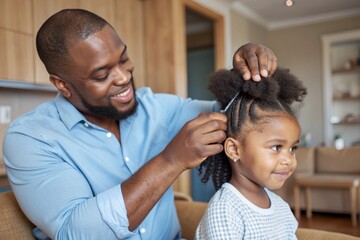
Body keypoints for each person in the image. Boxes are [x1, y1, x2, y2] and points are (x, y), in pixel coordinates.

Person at [3, 8, 277, 240]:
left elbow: (240, 118)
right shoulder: (32, 138)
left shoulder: (155, 107)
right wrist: (171, 160)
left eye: (123, 58)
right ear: (63, 85)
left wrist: (246, 76)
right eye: (102, 74)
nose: (123, 77)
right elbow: (72, 232)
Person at [195, 67, 307, 239]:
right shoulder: (225, 210)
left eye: (292, 149)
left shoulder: (281, 208)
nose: (288, 160)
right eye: (276, 147)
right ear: (234, 150)